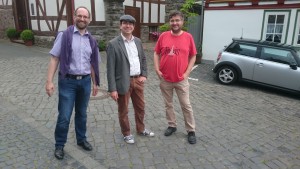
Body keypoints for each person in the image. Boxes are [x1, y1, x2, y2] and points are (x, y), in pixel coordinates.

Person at [45, 6, 100, 159]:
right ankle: (59, 145)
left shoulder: (91, 40)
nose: (82, 19)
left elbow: (93, 64)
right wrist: (49, 81)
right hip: (67, 82)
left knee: (82, 114)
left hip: (85, 82)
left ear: (89, 20)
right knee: (64, 116)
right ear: (74, 16)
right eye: (79, 16)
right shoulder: (64, 35)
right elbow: (54, 58)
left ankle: (81, 140)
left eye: (85, 17)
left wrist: (95, 83)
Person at [106, 14, 154, 144]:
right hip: (123, 82)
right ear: (120, 25)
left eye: (131, 24)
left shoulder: (137, 41)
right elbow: (110, 68)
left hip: (138, 80)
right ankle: (126, 133)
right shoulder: (113, 44)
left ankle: (141, 128)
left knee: (141, 107)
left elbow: (143, 58)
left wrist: (144, 74)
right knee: (123, 110)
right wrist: (112, 89)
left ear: (133, 26)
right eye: (125, 23)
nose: (128, 26)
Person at [153, 11, 197, 144]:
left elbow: (193, 55)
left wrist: (187, 73)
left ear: (182, 22)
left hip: (181, 80)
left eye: (177, 20)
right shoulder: (163, 36)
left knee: (186, 105)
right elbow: (156, 53)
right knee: (168, 105)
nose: (175, 23)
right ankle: (172, 125)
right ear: (169, 22)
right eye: (172, 21)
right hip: (165, 79)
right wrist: (156, 69)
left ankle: (191, 130)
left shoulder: (188, 37)